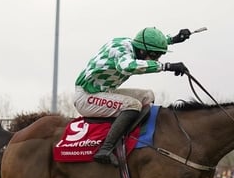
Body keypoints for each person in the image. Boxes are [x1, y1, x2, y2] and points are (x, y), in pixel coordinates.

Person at [74, 26, 191, 166]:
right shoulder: (122, 51)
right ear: (142, 50)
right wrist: (166, 66)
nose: (157, 59)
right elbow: (127, 66)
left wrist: (174, 39)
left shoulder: (133, 44)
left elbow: (151, 43)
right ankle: (105, 149)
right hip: (86, 97)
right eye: (155, 56)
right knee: (133, 105)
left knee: (148, 95)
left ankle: (137, 140)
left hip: (103, 92)